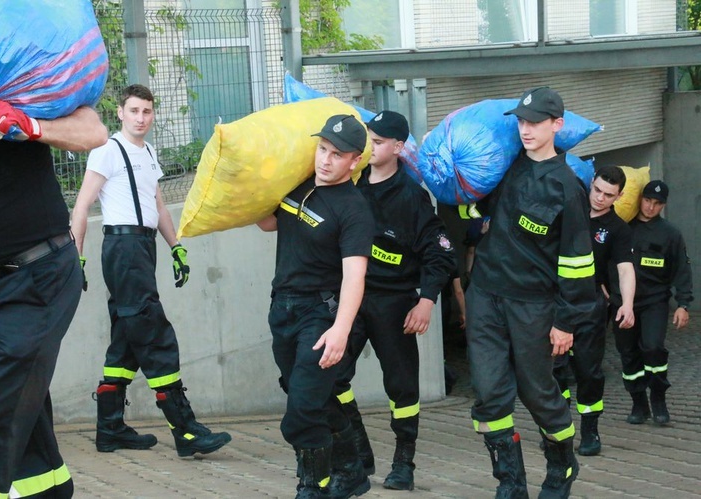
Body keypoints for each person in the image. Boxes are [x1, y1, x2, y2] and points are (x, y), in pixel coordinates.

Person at [0, 99, 108, 497]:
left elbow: (92, 130)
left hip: (33, 280)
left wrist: (30, 124)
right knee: (24, 420)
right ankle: (49, 487)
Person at [71, 84, 231, 458]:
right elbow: (80, 207)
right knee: (153, 330)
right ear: (121, 114)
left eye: (147, 111)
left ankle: (109, 429)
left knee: (127, 336)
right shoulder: (108, 151)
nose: (141, 118)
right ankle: (185, 429)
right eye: (134, 111)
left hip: (143, 247)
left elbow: (157, 203)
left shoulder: (148, 153)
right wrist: (75, 257)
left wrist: (175, 247)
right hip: (123, 248)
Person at [465, 87, 596, 498]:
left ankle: (561, 467)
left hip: (534, 306)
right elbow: (474, 213)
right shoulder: (504, 167)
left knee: (538, 392)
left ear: (557, 125)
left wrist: (565, 322)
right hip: (486, 294)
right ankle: (511, 482)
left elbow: (578, 263)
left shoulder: (568, 187)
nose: (526, 129)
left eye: (535, 122)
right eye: (521, 121)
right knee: (488, 392)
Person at [332, 110, 456, 491]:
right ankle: (357, 448)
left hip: (394, 302)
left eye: (380, 142)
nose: (371, 147)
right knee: (330, 375)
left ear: (399, 148)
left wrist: (427, 301)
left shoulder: (412, 198)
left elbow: (441, 254)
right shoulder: (351, 185)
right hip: (351, 300)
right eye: (369, 139)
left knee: (402, 387)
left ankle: (404, 461)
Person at [256, 114, 374, 498]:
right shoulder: (302, 183)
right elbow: (268, 224)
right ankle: (351, 470)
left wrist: (340, 329)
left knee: (301, 414)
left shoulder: (354, 209)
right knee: (312, 397)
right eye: (322, 149)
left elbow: (355, 277)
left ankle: (313, 486)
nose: (325, 160)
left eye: (336, 155)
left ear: (354, 161)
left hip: (319, 315)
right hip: (282, 309)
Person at [553, 165, 636, 456]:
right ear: (591, 183)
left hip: (590, 306)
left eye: (608, 195)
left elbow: (625, 268)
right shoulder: (568, 213)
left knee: (588, 371)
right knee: (553, 370)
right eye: (597, 189)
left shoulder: (618, 229)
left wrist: (626, 303)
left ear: (619, 196)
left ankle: (590, 431)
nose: (600, 198)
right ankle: (558, 429)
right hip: (555, 303)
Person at [611, 180, 692, 425]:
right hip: (621, 302)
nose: (650, 207)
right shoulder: (624, 228)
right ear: (640, 199)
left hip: (655, 301)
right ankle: (638, 403)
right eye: (647, 200)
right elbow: (605, 258)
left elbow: (682, 269)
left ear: (663, 206)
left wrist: (683, 304)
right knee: (628, 353)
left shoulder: (670, 234)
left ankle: (658, 398)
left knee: (653, 347)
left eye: (657, 203)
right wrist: (604, 287)